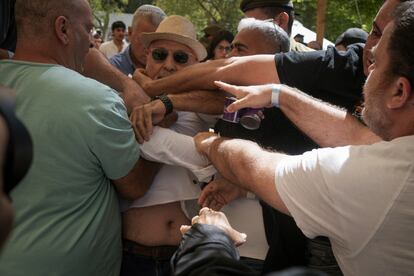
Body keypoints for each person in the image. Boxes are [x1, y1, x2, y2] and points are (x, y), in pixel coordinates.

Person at [131, 0, 405, 273]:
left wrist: (209, 145)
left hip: (267, 256)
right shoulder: (379, 151)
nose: (231, 60)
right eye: (158, 55)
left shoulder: (362, 169)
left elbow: (253, 166)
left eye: (242, 54)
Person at [0, 1, 159, 275]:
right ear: (62, 28)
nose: (92, 43)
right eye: (87, 29)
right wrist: (161, 137)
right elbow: (135, 185)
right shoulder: (96, 100)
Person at [119, 15, 211, 276]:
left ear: (196, 64)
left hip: (187, 256)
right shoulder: (124, 96)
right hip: (134, 255)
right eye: (160, 55)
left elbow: (223, 103)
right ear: (146, 56)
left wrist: (168, 105)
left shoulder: (201, 105)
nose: (168, 65)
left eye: (180, 58)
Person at [110, 5, 166, 76]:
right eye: (143, 39)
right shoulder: (113, 68)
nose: (148, 48)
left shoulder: (169, 69)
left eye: (156, 42)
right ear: (130, 33)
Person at [240, 0, 313, 52]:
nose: (244, 34)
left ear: (281, 21)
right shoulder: (240, 61)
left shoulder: (316, 66)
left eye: (253, 26)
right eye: (243, 26)